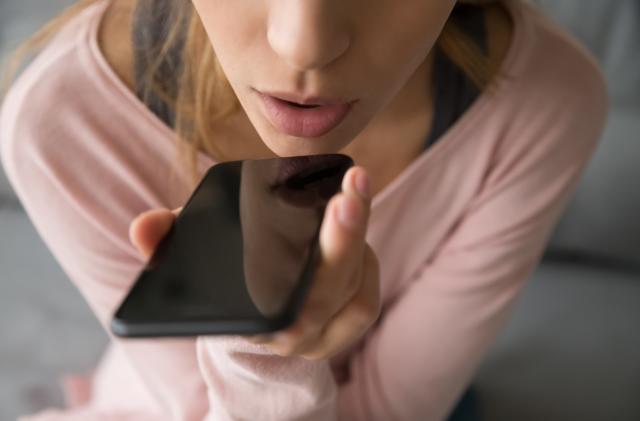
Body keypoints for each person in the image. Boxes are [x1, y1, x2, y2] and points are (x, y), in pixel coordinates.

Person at [0, 0, 607, 419]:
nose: (305, 44)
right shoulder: (64, 121)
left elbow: (392, 410)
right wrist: (259, 357)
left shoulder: (546, 105)